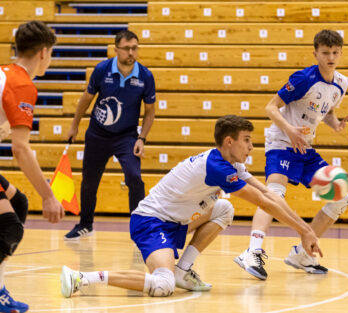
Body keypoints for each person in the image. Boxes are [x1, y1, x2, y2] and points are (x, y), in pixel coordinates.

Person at [60, 115, 322, 298]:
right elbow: (263, 201)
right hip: (150, 222)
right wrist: (304, 231)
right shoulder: (217, 167)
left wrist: (305, 230)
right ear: (229, 142)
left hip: (177, 220)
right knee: (163, 285)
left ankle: (183, 270)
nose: (252, 147)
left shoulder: (231, 164)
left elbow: (269, 193)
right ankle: (81, 278)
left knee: (224, 209)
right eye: (247, 140)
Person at [234, 29, 348, 280]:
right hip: (281, 143)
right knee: (274, 194)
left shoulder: (341, 83)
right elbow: (271, 107)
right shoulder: (303, 78)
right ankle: (253, 251)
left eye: (335, 53)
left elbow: (326, 111)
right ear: (315, 53)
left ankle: (302, 254)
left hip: (305, 148)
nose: (330, 57)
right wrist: (290, 129)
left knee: (341, 196)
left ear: (341, 53)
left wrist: (336, 124)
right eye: (325, 53)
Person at [64, 30, 156, 240]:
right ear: (116, 50)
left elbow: (150, 111)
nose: (131, 52)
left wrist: (142, 138)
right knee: (89, 181)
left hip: (127, 136)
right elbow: (86, 99)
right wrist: (74, 126)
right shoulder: (102, 69)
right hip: (97, 134)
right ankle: (85, 224)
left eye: (135, 48)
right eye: (126, 49)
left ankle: (138, 228)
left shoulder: (145, 76)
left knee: (134, 177)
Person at [0, 21, 65, 313]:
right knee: (8, 226)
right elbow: (20, 150)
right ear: (43, 52)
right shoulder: (22, 84)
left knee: (18, 203)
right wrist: (49, 195)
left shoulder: (5, 73)